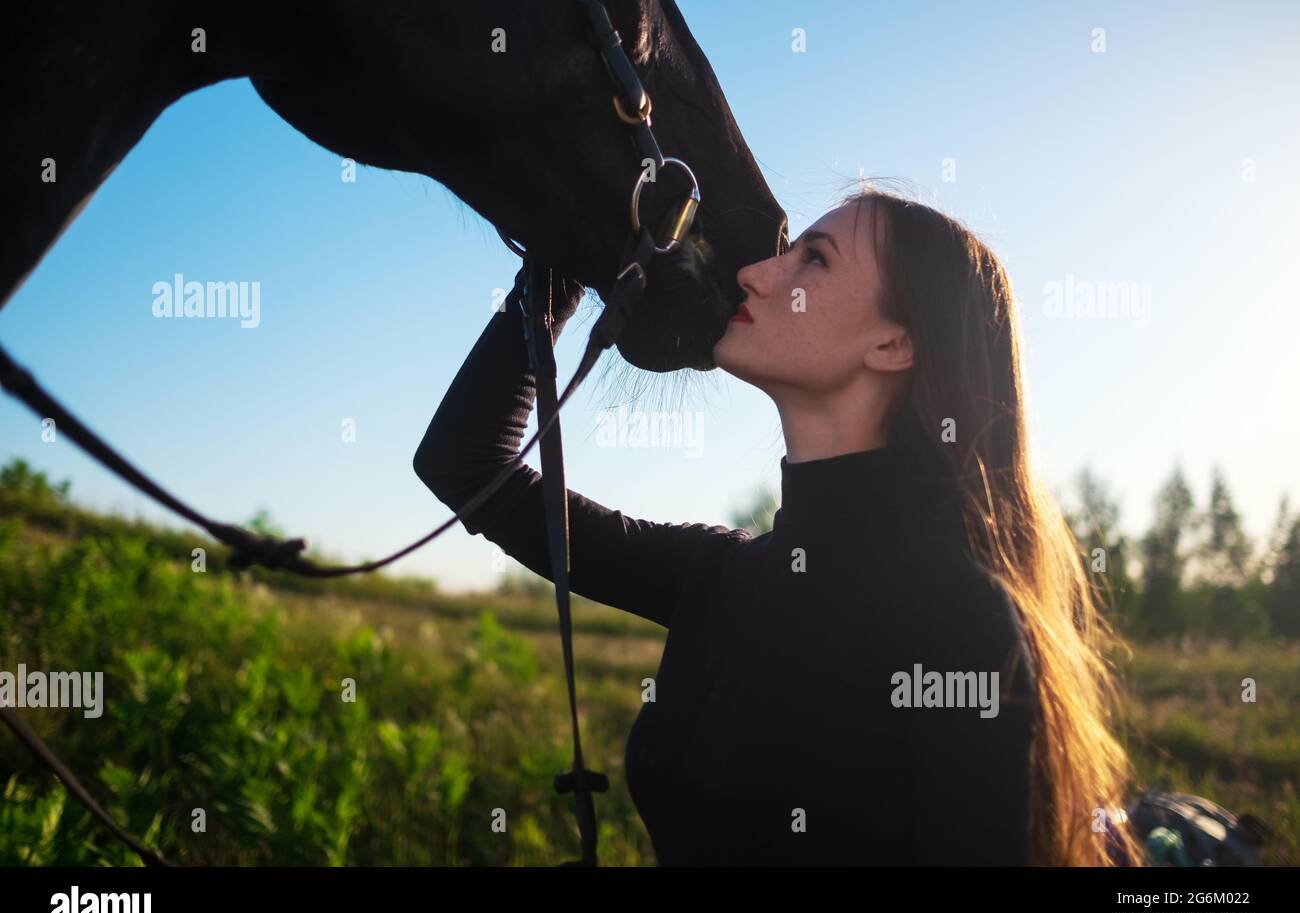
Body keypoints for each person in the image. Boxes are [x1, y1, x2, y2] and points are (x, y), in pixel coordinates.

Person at [413, 182, 1143, 866]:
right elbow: (468, 466)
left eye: (813, 260)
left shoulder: (959, 621)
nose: (757, 274)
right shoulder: (715, 574)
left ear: (894, 345)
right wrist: (560, 262)